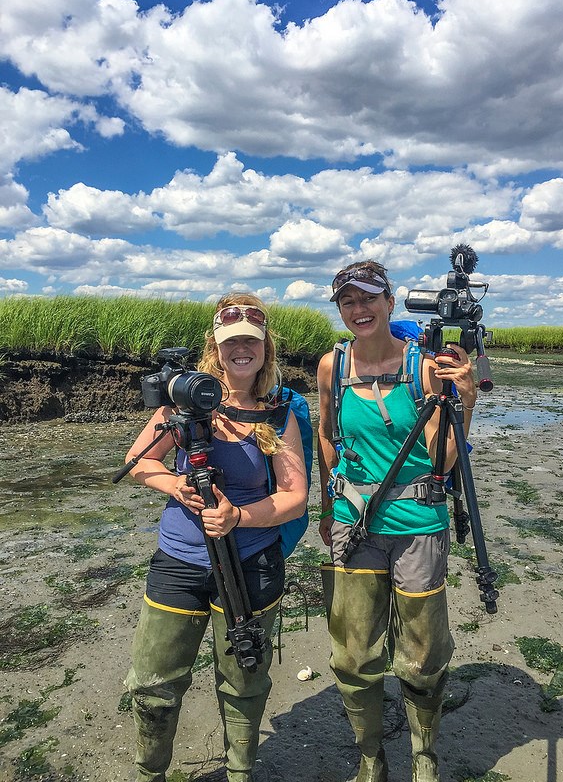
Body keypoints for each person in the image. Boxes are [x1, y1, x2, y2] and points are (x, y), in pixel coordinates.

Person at [124, 293, 308, 782]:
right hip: (179, 561)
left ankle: (240, 773)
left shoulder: (277, 413)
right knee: (153, 683)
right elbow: (139, 463)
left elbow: (295, 496)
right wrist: (175, 484)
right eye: (232, 342)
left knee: (244, 679)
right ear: (215, 348)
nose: (242, 350)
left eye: (252, 341)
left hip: (252, 561)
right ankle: (151, 772)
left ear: (266, 349)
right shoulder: (182, 406)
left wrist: (237, 518)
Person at [317, 261, 478, 782]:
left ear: (389, 302)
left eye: (368, 299)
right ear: (340, 310)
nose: (359, 310)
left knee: (423, 653)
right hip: (353, 523)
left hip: (417, 526)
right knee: (355, 655)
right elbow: (325, 434)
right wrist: (327, 502)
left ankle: (424, 756)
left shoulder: (424, 367)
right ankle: (371, 757)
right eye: (348, 302)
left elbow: (443, 461)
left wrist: (466, 401)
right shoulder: (333, 367)